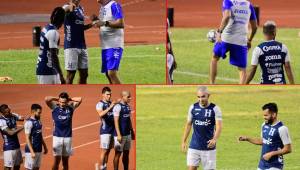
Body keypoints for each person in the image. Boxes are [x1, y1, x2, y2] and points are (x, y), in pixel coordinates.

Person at [210, 0, 257, 84]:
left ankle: (212, 84)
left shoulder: (228, 1)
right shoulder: (248, 4)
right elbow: (255, 27)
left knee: (215, 57)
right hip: (241, 40)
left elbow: (227, 16)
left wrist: (219, 32)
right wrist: (249, 40)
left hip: (226, 38)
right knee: (242, 69)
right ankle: (241, 91)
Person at [239, 103, 292, 170]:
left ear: (274, 114)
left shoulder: (282, 129)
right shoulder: (264, 125)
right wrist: (247, 138)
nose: (264, 117)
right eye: (263, 115)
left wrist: (271, 154)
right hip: (262, 164)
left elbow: (288, 149)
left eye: (266, 115)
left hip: (275, 165)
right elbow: (262, 141)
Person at [181, 86, 222, 170]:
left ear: (208, 95)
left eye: (203, 96)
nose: (200, 99)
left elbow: (219, 126)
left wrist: (214, 139)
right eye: (198, 97)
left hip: (208, 148)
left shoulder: (215, 109)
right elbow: (188, 124)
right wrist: (184, 141)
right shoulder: (193, 108)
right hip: (194, 146)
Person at [45, 92, 82, 170]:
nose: (62, 104)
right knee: (56, 161)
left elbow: (80, 99)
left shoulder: (71, 107)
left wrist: (69, 99)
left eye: (64, 102)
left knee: (65, 162)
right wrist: (57, 98)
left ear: (67, 102)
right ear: (59, 101)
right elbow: (46, 99)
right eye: (61, 102)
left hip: (68, 138)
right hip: (57, 138)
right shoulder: (54, 107)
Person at [62, 0, 96, 84]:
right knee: (70, 75)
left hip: (82, 45)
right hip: (71, 45)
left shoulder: (81, 9)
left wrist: (91, 24)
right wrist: (70, 9)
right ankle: (67, 95)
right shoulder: (66, 6)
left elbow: (80, 27)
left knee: (84, 74)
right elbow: (62, 12)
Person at [96, 0, 125, 84]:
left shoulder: (114, 5)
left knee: (111, 73)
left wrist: (104, 23)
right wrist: (97, 22)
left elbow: (121, 24)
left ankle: (121, 92)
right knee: (107, 74)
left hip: (114, 44)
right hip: (105, 45)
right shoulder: (102, 8)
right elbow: (103, 25)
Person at [36, 7, 66, 84]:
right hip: (48, 70)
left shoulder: (45, 28)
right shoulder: (53, 32)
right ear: (61, 20)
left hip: (43, 68)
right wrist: (61, 75)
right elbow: (53, 55)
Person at [113, 91, 135, 170]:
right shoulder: (118, 107)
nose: (130, 98)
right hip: (120, 135)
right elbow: (116, 121)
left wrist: (131, 131)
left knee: (126, 154)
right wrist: (119, 134)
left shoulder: (128, 106)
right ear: (123, 97)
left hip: (127, 134)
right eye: (128, 97)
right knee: (118, 154)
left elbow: (129, 119)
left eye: (130, 96)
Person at [96, 87, 116, 170]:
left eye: (110, 94)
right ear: (103, 94)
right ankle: (100, 167)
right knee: (104, 151)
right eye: (107, 94)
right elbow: (100, 114)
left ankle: (104, 167)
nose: (109, 96)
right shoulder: (100, 104)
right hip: (105, 131)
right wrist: (110, 107)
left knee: (108, 151)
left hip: (113, 130)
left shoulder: (111, 103)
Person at [24, 104, 48, 170]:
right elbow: (27, 138)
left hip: (39, 149)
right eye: (39, 113)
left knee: (36, 168)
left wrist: (45, 146)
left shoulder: (38, 121)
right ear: (33, 111)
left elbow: (40, 135)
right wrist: (32, 151)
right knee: (29, 168)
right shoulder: (29, 123)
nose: (40, 114)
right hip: (31, 150)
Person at [0, 104, 24, 170]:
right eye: (7, 112)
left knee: (17, 165)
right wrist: (22, 127)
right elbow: (10, 133)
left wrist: (15, 115)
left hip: (17, 145)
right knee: (8, 167)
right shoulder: (1, 121)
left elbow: (22, 118)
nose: (9, 112)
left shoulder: (12, 115)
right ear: (2, 113)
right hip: (9, 147)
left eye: (9, 110)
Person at [167, 18, 177, 84]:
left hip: (168, 56)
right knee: (170, 75)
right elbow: (169, 46)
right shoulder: (166, 33)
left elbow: (169, 46)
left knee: (169, 75)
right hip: (169, 56)